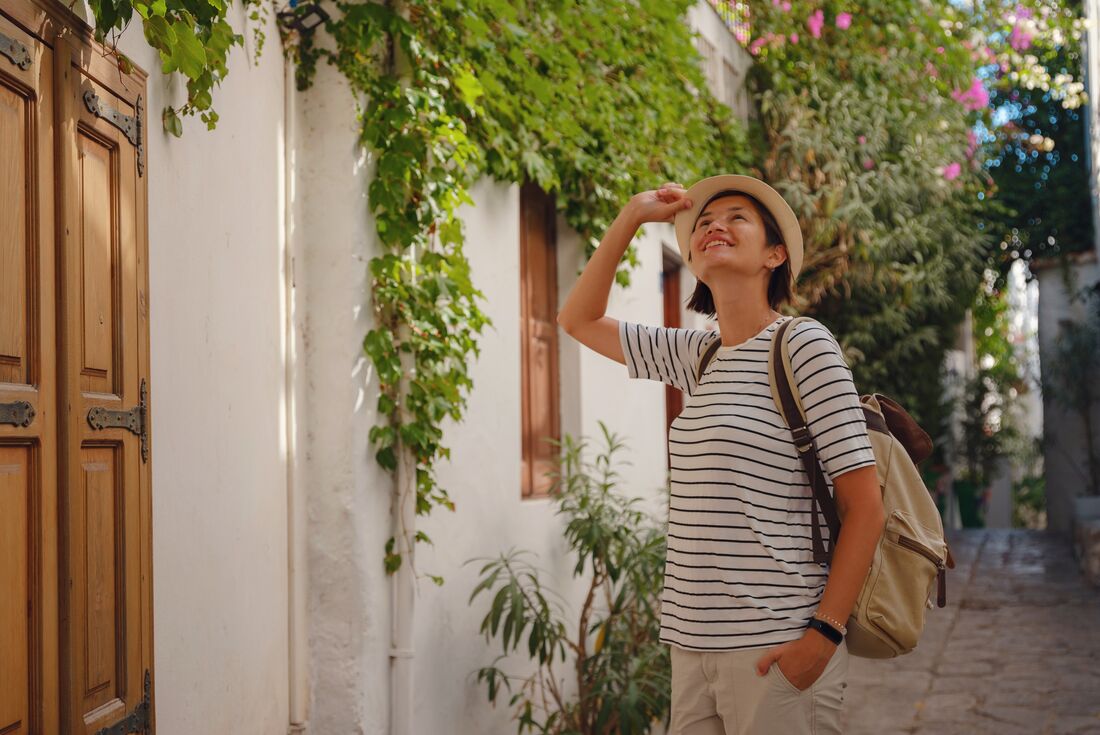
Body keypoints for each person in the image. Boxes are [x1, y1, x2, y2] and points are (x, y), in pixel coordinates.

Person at [556, 175, 885, 735]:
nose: (714, 225)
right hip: (691, 645)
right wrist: (633, 216)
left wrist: (823, 636)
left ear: (774, 255)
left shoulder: (802, 345)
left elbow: (865, 507)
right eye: (705, 221)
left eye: (737, 218)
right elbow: (579, 320)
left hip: (776, 643)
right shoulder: (697, 355)